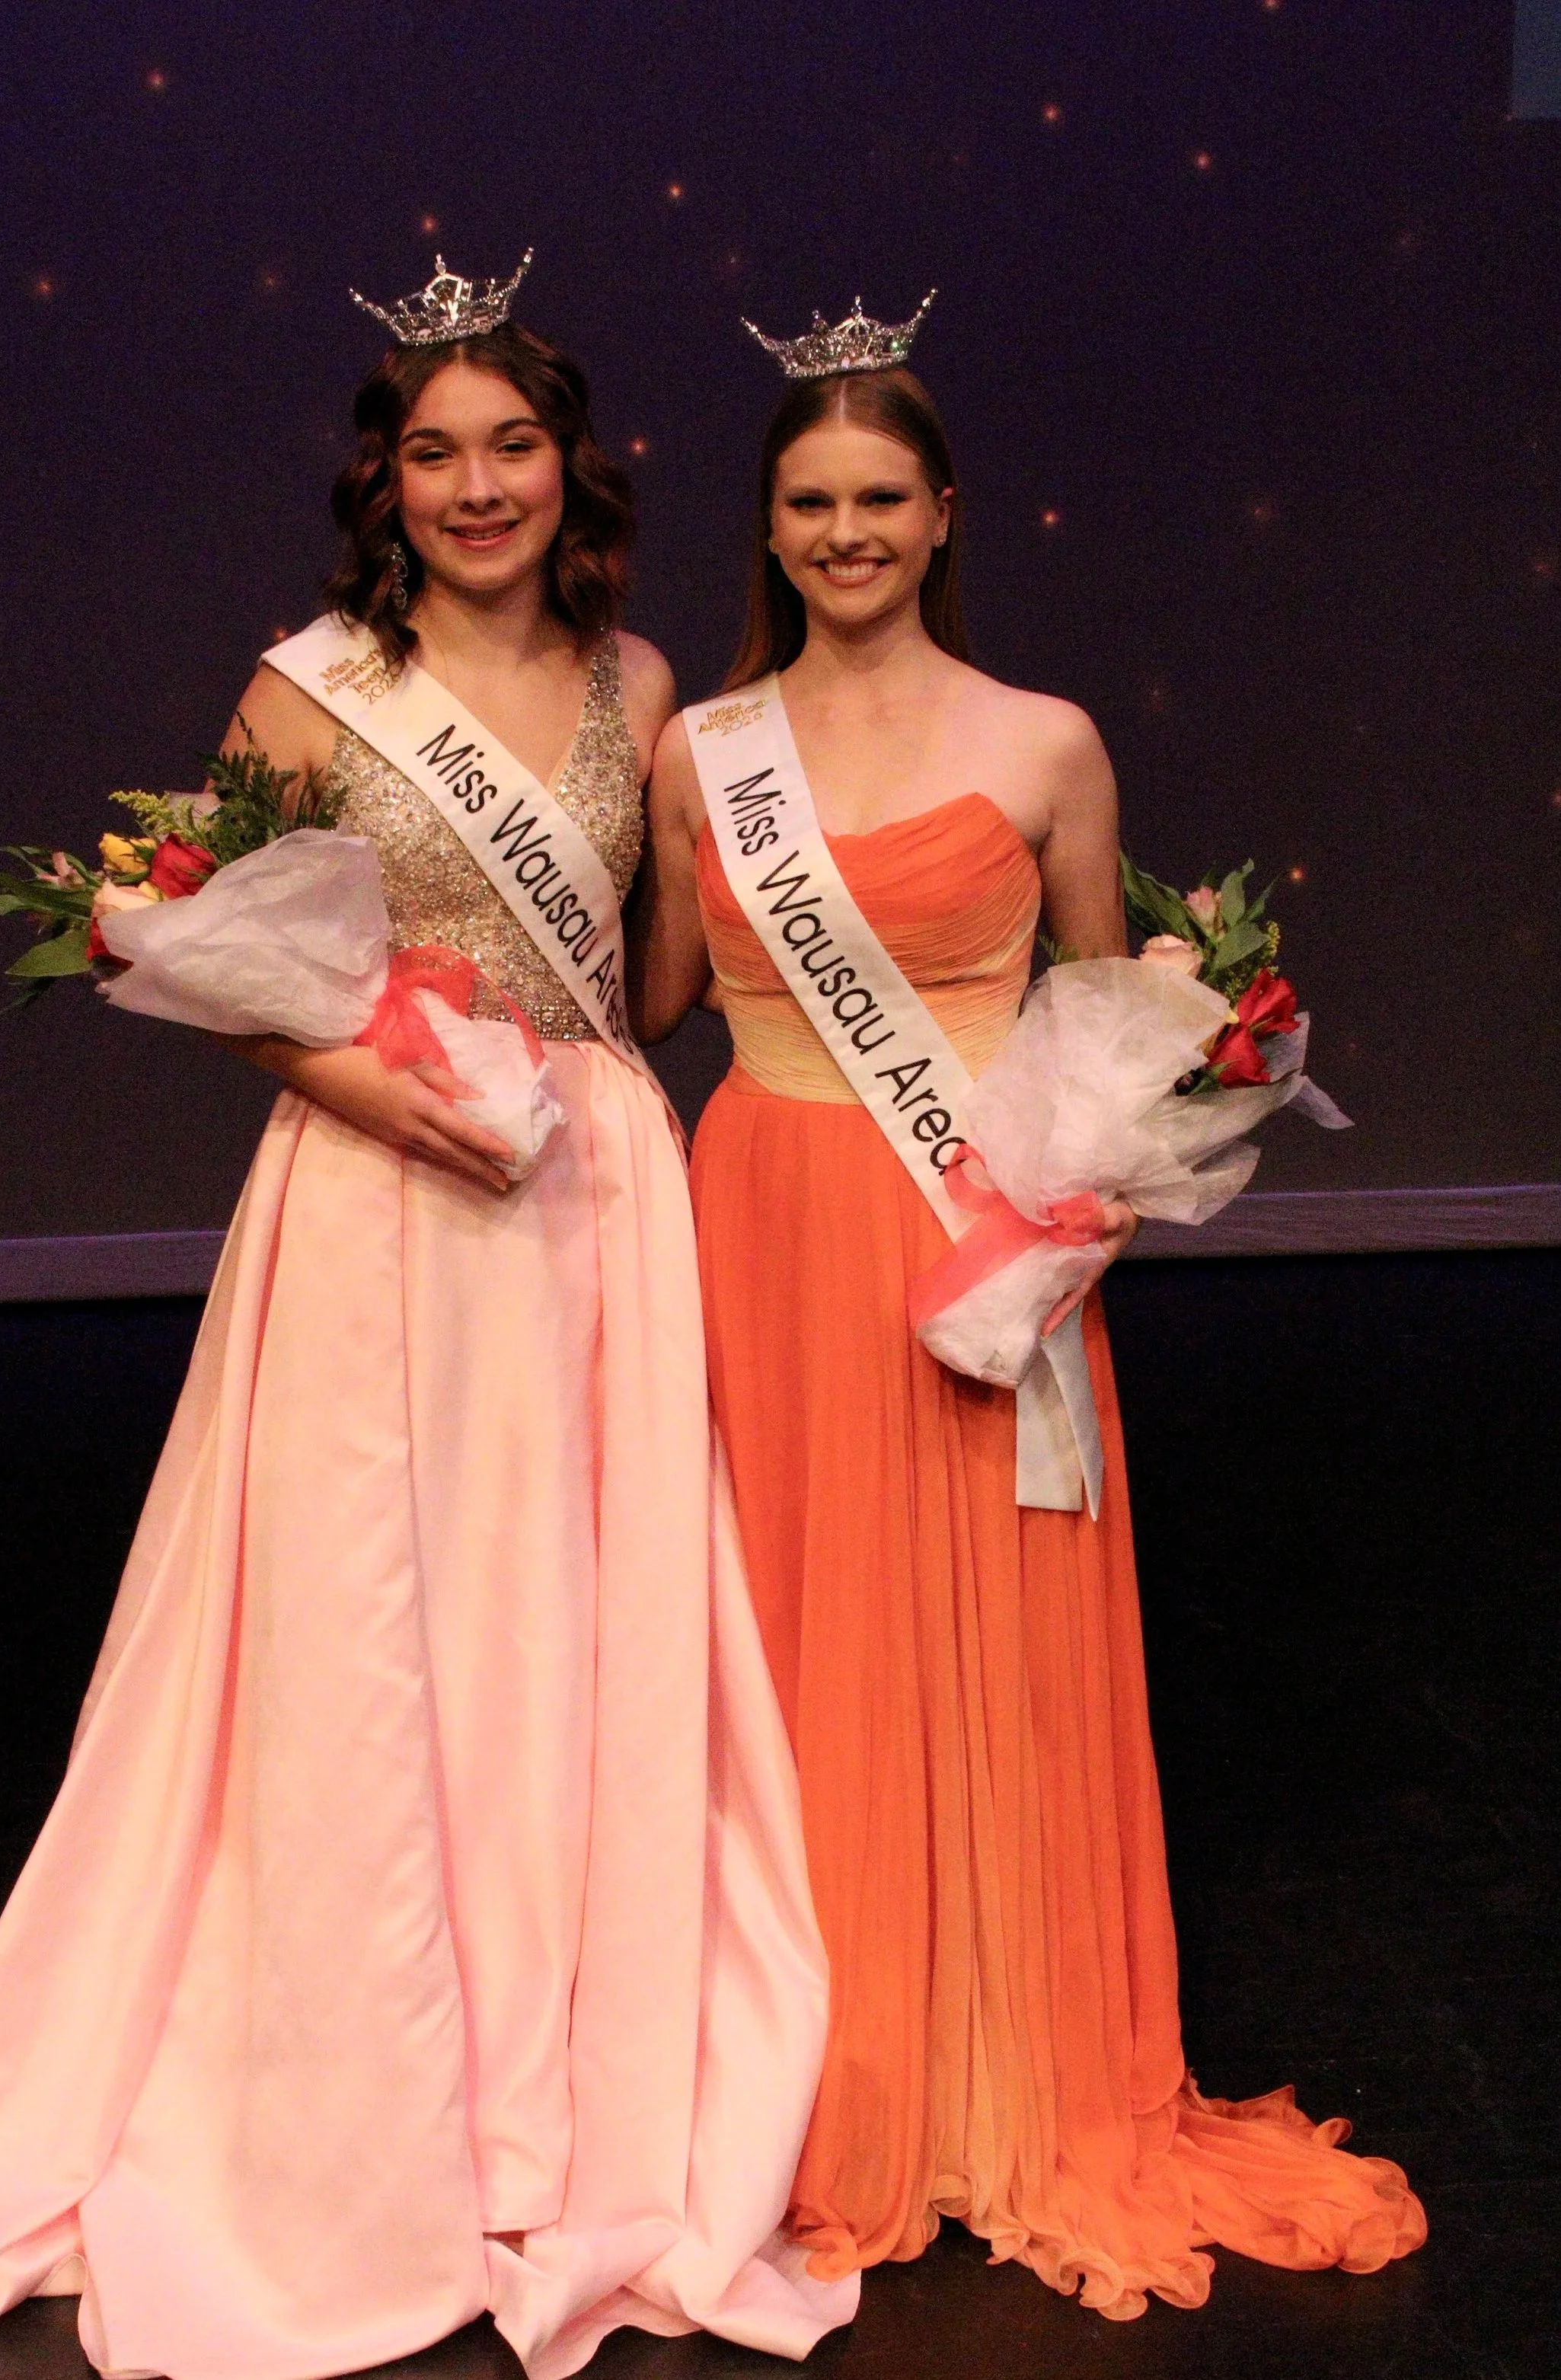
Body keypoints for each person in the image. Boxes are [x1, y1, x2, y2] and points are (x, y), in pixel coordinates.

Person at [0, 258, 856, 2380]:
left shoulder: (644, 677)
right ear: (381, 481)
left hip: (593, 1188)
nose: (477, 484)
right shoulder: (306, 690)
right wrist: (389, 1094)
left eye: (511, 444)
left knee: (564, 1612)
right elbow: (225, 974)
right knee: (360, 1613)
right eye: (435, 452)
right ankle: (359, 2066)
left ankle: (558, 2033)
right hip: (376, 1189)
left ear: (568, 464)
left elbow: (653, 985)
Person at [632, 298, 1426, 2318]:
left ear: (942, 509)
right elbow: (640, 998)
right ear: (768, 525)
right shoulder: (699, 751)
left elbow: (1104, 1025)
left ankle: (991, 2078)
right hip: (756, 1228)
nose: (842, 532)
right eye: (806, 501)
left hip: (963, 1241)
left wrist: (1160, 1104)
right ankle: (802, 2077)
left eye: (877, 495)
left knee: (971, 1634)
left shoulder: (1042, 736)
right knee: (786, 1637)